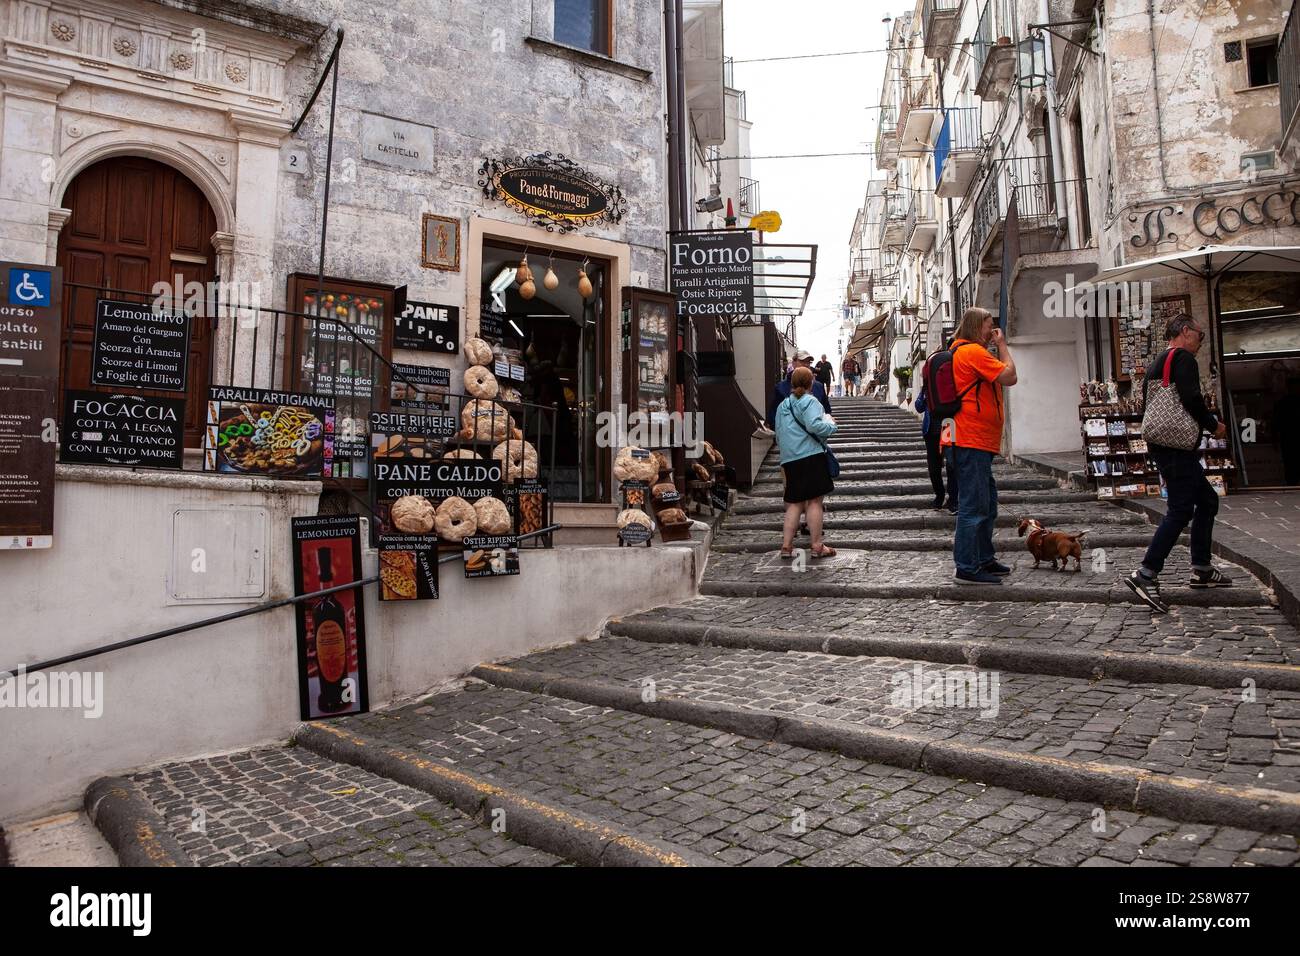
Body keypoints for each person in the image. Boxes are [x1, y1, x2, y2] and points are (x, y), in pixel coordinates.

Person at [1124, 314, 1233, 613]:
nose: (1200, 342)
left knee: (1207, 501)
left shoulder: (1159, 361)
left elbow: (1148, 405)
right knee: (1181, 509)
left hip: (1165, 444)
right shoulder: (1183, 357)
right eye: (1200, 335)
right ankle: (1146, 573)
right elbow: (1191, 397)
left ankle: (1202, 567)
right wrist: (1213, 425)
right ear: (1186, 332)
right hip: (1175, 448)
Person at [942, 307, 1018, 585]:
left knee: (988, 504)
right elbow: (1010, 376)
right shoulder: (972, 352)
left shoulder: (966, 352)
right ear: (977, 327)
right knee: (974, 506)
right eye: (989, 326)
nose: (992, 331)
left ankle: (984, 558)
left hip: (976, 440)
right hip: (969, 439)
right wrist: (1002, 345)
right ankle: (966, 566)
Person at [775, 366, 838, 559]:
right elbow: (814, 425)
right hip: (810, 456)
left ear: (792, 383)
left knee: (794, 503)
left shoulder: (783, 405)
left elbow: (778, 434)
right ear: (811, 383)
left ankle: (786, 546)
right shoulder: (810, 401)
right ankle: (817, 545)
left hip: (790, 459)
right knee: (814, 502)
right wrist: (831, 425)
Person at [915, 365, 958, 512]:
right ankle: (940, 497)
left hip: (946, 428)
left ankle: (952, 500)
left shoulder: (947, 386)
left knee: (950, 465)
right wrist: (923, 391)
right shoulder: (928, 390)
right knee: (935, 467)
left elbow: (918, 406)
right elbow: (919, 406)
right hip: (933, 431)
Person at [767, 349, 832, 427]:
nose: (806, 364)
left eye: (808, 362)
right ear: (793, 363)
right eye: (802, 361)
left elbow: (826, 411)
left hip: (812, 436)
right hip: (790, 436)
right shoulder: (781, 388)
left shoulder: (818, 387)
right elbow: (773, 417)